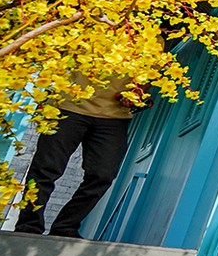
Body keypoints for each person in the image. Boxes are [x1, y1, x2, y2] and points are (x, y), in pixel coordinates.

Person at [11, 77, 141, 239]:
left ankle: (66, 226)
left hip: (114, 116)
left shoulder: (151, 50)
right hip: (67, 106)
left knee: (103, 175)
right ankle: (28, 225)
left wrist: (137, 93)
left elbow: (148, 78)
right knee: (45, 168)